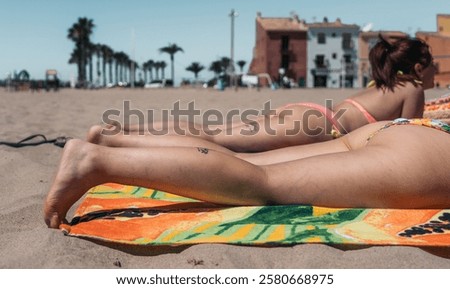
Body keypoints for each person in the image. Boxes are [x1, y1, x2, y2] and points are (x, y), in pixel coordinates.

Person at [44, 118, 450, 229]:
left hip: (407, 133)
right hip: (427, 155)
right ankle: (98, 162)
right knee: (261, 184)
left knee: (246, 163)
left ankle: (113, 146)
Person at [95, 35, 437, 152]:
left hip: (308, 114)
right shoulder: (413, 89)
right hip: (315, 128)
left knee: (210, 132)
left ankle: (121, 131)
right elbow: (411, 138)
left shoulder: (383, 85)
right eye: (433, 62)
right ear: (419, 66)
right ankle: (117, 138)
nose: (436, 69)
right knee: (214, 140)